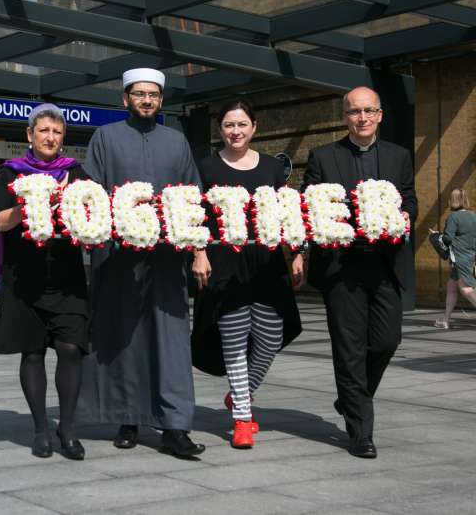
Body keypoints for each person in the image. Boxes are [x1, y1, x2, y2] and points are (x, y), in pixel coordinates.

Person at [76, 68, 206, 458]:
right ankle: (127, 418)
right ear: (125, 99)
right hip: (118, 261)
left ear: (161, 100)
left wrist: (198, 251)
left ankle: (175, 427)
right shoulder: (105, 138)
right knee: (125, 338)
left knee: (171, 342)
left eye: (153, 95)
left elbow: (193, 198)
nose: (147, 100)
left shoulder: (177, 141)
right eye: (139, 94)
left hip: (167, 261)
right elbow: (90, 194)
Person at [293, 86, 417, 458]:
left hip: (384, 263)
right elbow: (308, 205)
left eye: (369, 111)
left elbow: (409, 196)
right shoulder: (323, 156)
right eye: (354, 112)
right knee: (348, 349)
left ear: (380, 115)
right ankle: (361, 432)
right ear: (344, 116)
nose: (362, 118)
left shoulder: (398, 156)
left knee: (385, 340)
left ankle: (351, 396)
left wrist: (407, 214)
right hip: (341, 266)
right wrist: (303, 248)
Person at [190, 99, 302, 449]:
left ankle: (241, 393)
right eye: (228, 125)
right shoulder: (206, 168)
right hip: (223, 261)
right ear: (219, 129)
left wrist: (297, 252)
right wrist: (199, 252)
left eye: (241, 124)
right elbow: (195, 215)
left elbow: (288, 214)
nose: (235, 131)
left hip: (266, 261)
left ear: (254, 127)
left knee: (271, 335)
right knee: (234, 340)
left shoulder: (272, 168)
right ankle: (242, 417)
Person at [0, 103, 89, 460]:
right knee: (32, 352)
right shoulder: (10, 174)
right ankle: (40, 429)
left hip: (66, 278)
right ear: (29, 135)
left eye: (57, 132)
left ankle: (68, 427)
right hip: (25, 276)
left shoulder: (75, 172)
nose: (50, 137)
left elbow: (98, 213)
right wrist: (32, 201)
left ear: (64, 138)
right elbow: (0, 222)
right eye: (43, 131)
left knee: (70, 348)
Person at [432, 189, 476, 329]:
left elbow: (448, 238)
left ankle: (445, 320)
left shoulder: (453, 217)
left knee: (466, 289)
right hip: (470, 255)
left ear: (453, 200)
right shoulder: (473, 216)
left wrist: (436, 235)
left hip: (458, 257)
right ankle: (445, 320)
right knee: (451, 287)